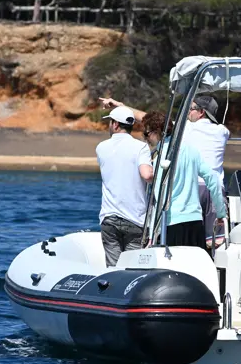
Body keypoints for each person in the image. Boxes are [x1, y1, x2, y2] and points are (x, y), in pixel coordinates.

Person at [100, 95, 230, 239]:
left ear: (201, 112)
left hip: (192, 190)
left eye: (191, 109)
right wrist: (221, 213)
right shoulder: (223, 131)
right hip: (215, 190)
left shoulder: (185, 128)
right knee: (216, 242)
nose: (187, 112)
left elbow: (146, 118)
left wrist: (119, 106)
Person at [140, 110, 226, 251]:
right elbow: (213, 179)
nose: (146, 139)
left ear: (157, 132)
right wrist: (221, 213)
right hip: (195, 222)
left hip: (171, 224)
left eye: (147, 134)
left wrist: (151, 236)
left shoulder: (160, 157)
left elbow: (158, 199)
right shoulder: (191, 151)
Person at [96, 106, 154, 266]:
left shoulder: (101, 148)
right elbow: (147, 175)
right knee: (132, 268)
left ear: (115, 125)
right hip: (135, 218)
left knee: (113, 269)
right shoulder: (141, 147)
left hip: (109, 217)